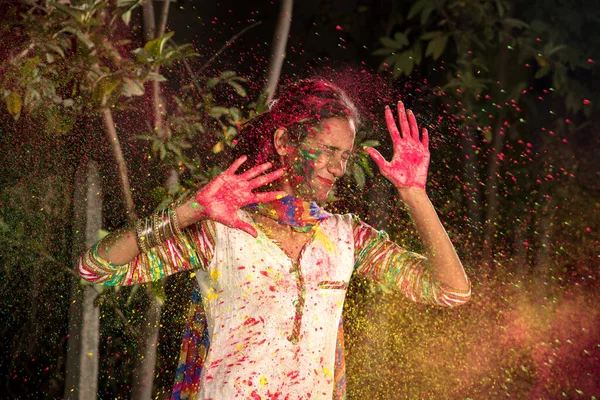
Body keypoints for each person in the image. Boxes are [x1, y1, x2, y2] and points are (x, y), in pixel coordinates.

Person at [79, 79, 471, 400]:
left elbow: (452, 291)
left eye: (346, 156)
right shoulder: (222, 234)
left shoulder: (347, 237)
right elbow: (94, 267)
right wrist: (190, 212)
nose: (338, 168)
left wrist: (414, 195)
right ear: (285, 142)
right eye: (328, 151)